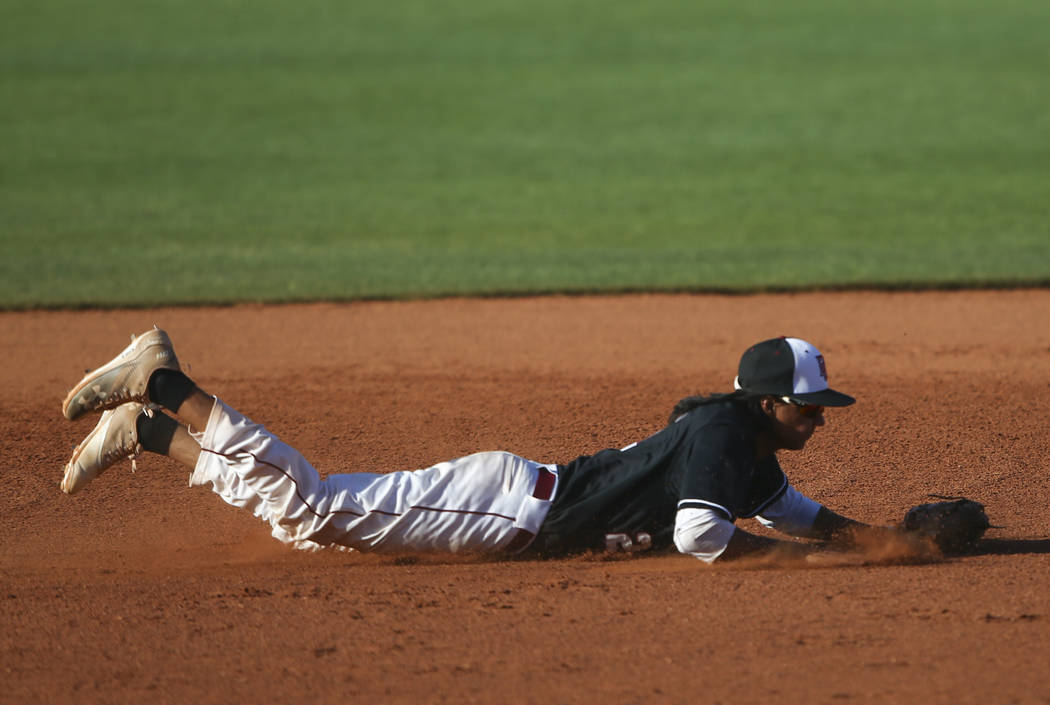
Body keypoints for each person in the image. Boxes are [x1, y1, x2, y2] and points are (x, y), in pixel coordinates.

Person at [60, 328, 893, 562]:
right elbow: (702, 536)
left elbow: (783, 508)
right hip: (505, 508)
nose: (819, 418)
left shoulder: (744, 447)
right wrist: (803, 560)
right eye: (810, 407)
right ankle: (164, 383)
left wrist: (876, 540)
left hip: (511, 507)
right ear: (768, 401)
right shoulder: (722, 432)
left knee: (301, 524)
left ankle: (150, 431)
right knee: (311, 504)